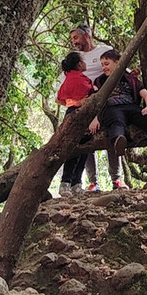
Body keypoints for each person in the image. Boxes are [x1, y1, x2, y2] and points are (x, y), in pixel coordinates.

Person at [90, 48, 147, 161]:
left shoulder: (130, 79)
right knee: (116, 121)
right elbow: (94, 100)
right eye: (102, 65)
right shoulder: (99, 81)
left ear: (118, 63)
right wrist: (95, 118)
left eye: (107, 64)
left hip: (131, 107)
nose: (104, 67)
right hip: (112, 108)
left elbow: (145, 93)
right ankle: (118, 141)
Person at [68, 24, 117, 191]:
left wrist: (131, 74)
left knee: (113, 134)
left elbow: (116, 65)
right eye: (72, 39)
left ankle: (116, 179)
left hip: (106, 98)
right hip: (84, 103)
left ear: (87, 35)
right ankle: (92, 182)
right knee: (85, 139)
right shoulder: (76, 58)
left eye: (76, 37)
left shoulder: (103, 50)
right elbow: (68, 81)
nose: (74, 42)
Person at [55, 52, 96, 195]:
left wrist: (70, 102)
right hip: (80, 114)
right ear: (79, 64)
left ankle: (73, 183)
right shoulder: (80, 80)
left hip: (71, 112)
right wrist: (78, 102)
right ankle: (70, 182)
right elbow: (89, 96)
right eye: (83, 60)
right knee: (79, 149)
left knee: (79, 149)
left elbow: (58, 99)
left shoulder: (68, 79)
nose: (85, 62)